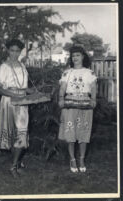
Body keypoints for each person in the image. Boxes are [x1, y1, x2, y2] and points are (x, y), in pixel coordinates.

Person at [0, 39, 33, 177]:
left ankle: (15, 164)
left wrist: (34, 92)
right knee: (13, 133)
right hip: (9, 102)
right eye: (12, 50)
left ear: (20, 51)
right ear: (7, 50)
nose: (15, 53)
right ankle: (14, 165)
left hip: (22, 103)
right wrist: (15, 95)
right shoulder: (4, 67)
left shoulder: (22, 66)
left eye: (17, 51)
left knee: (21, 132)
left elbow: (24, 87)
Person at [58, 45, 97, 173]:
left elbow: (93, 88)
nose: (75, 58)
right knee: (70, 132)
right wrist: (61, 98)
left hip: (85, 104)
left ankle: (81, 159)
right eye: (73, 56)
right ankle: (72, 159)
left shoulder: (89, 72)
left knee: (84, 132)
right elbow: (63, 87)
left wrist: (93, 99)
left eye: (78, 55)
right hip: (69, 103)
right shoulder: (67, 72)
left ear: (83, 57)